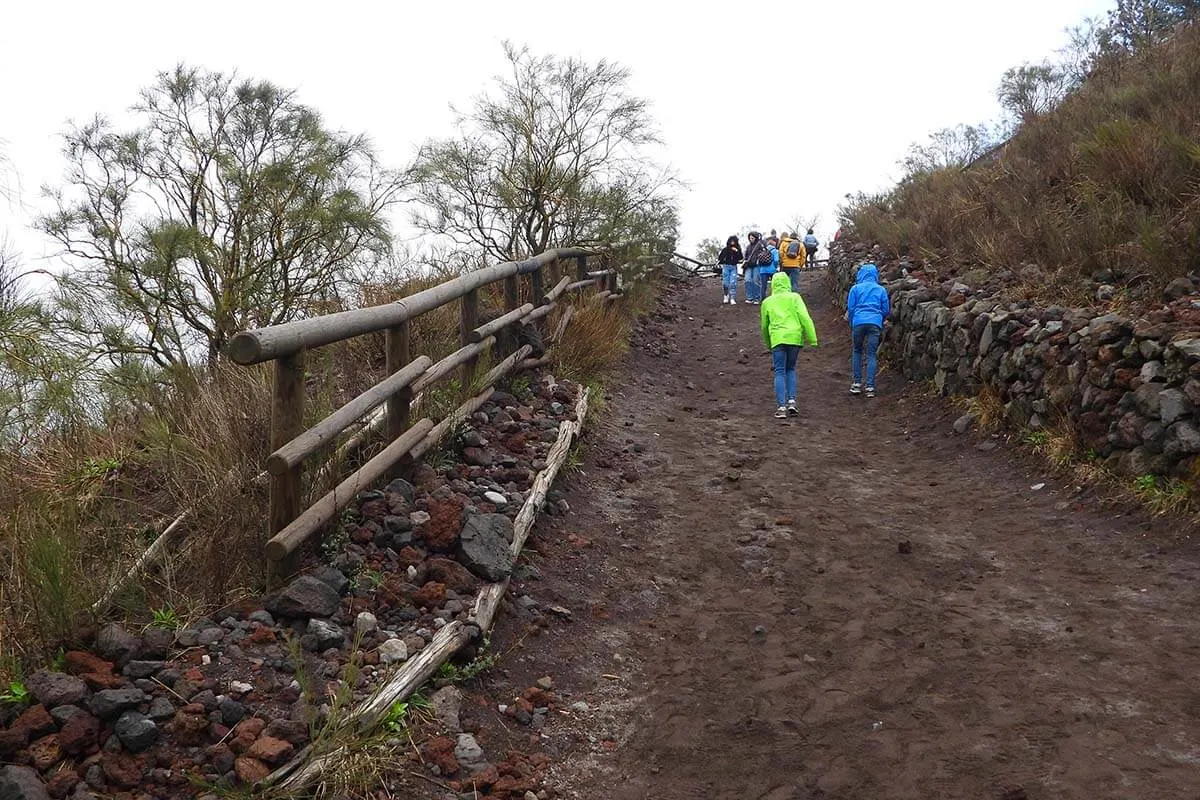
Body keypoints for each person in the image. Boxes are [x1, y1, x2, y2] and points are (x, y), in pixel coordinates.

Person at [761, 271, 818, 418]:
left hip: (777, 339)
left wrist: (768, 344)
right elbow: (805, 317)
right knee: (791, 369)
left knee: (779, 371)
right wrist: (812, 339)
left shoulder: (767, 302)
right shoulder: (795, 297)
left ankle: (781, 407)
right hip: (794, 338)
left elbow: (764, 326)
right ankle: (792, 401)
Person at [846, 262, 890, 398]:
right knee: (871, 354)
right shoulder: (881, 289)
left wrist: (853, 322)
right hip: (875, 323)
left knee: (857, 351)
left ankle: (857, 384)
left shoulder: (855, 289)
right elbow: (886, 310)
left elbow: (851, 308)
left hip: (858, 322)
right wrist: (879, 319)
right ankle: (870, 386)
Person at [716, 235, 743, 305]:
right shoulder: (725, 249)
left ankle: (732, 298)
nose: (732, 242)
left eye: (734, 241)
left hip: (733, 267)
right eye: (731, 241)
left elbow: (740, 257)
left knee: (733, 283)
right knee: (725, 283)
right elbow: (720, 258)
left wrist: (737, 251)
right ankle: (726, 295)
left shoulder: (738, 249)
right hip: (726, 267)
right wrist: (722, 260)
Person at [742, 231, 766, 304]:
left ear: (755, 237)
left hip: (756, 265)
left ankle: (757, 298)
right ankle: (749, 297)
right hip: (748, 265)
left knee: (756, 281)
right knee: (747, 280)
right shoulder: (748, 246)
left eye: (752, 237)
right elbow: (746, 256)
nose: (751, 238)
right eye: (750, 237)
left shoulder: (760, 245)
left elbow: (763, 253)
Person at [760, 235, 780, 301]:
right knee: (774, 285)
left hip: (763, 270)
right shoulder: (775, 251)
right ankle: (774, 298)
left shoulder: (763, 250)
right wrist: (775, 266)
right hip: (772, 270)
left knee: (763, 286)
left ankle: (763, 299)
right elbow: (776, 260)